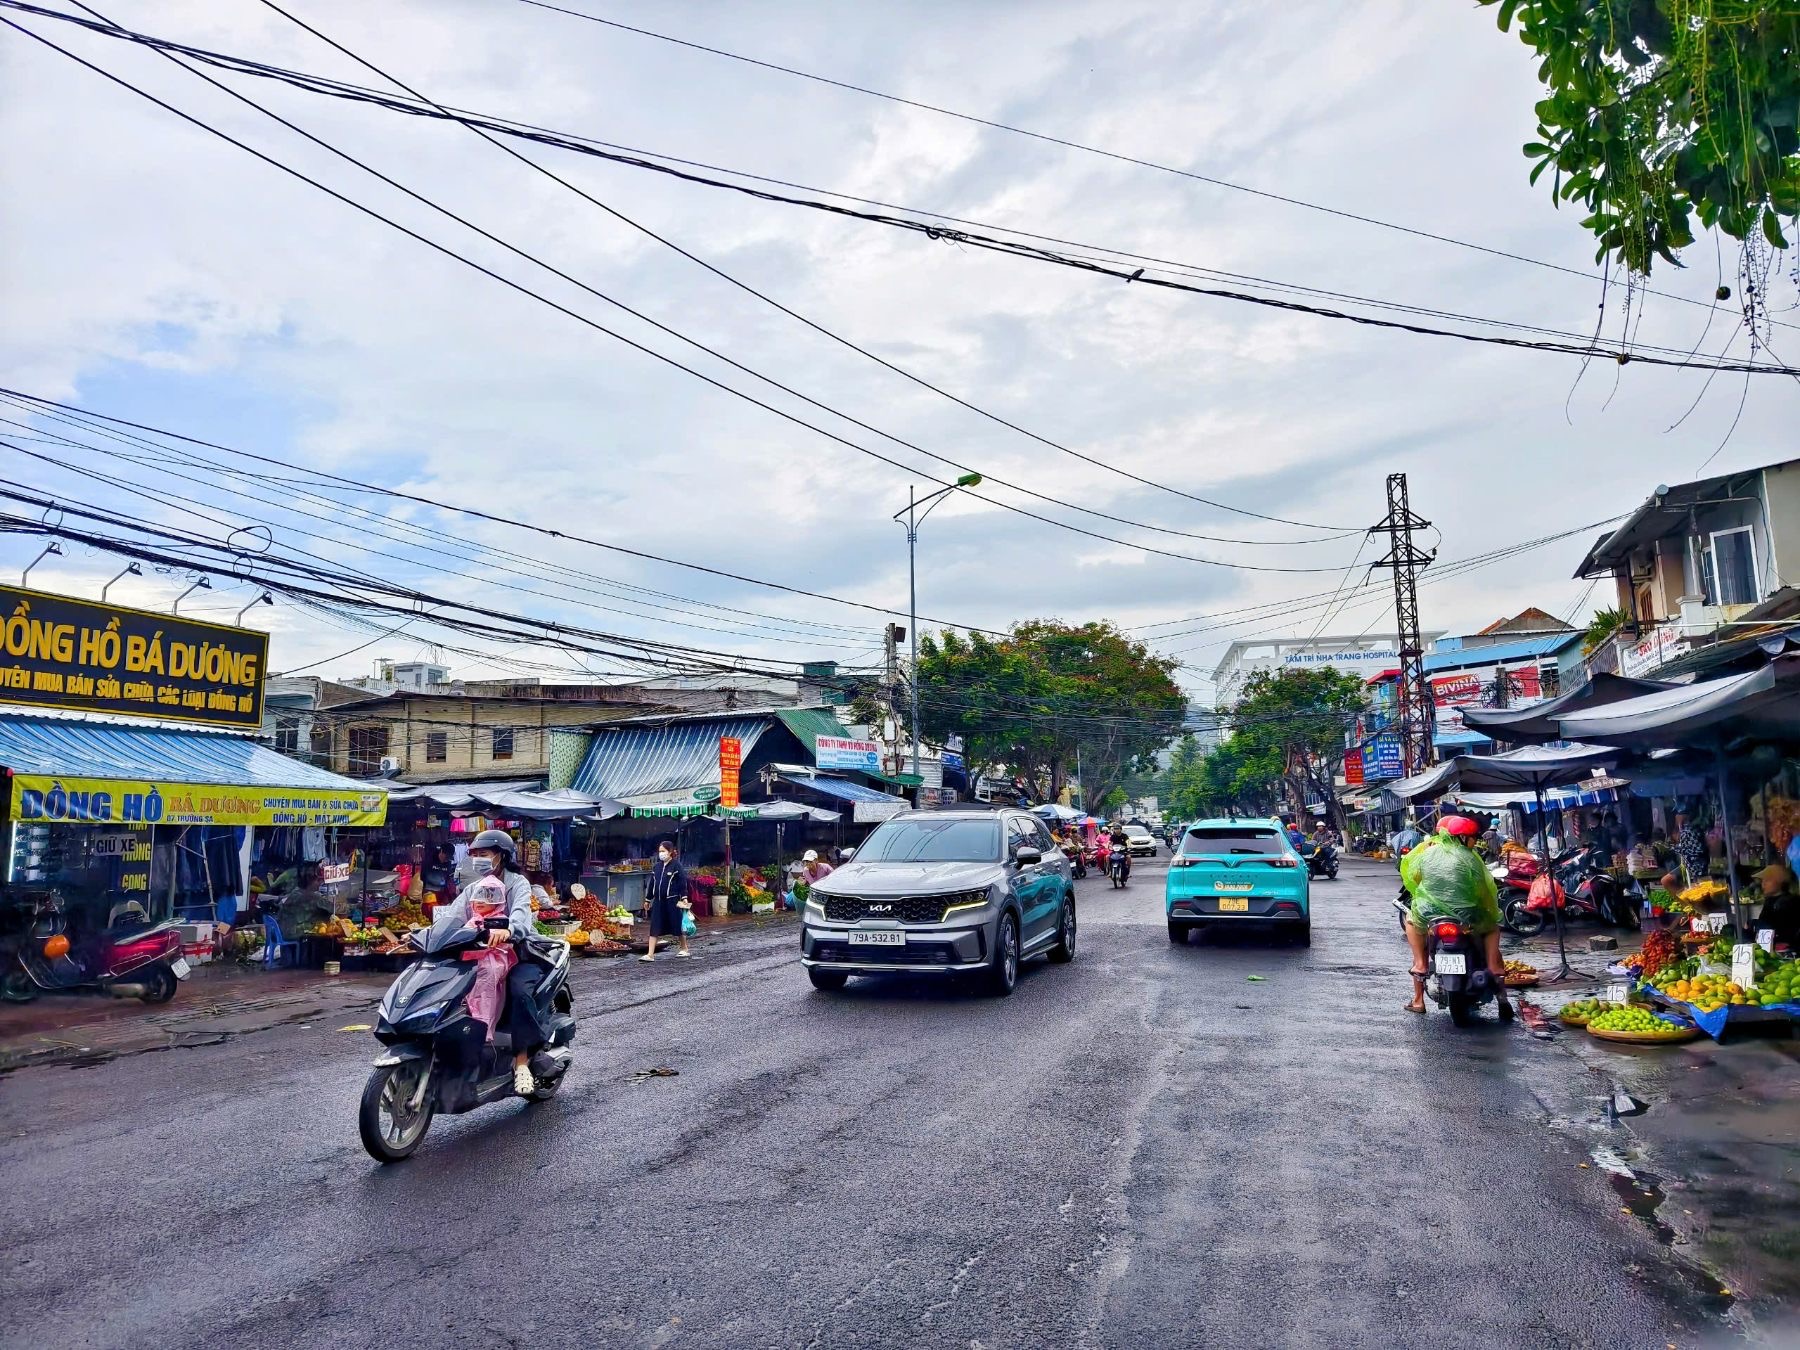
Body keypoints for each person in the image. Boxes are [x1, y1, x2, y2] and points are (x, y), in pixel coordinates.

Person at [423, 829, 550, 1096]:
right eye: (476, 855)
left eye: (484, 855)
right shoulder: (473, 888)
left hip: (520, 952)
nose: (479, 860)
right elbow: (453, 916)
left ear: (501, 857)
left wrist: (509, 930)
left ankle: (523, 1061)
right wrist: (428, 935)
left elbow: (521, 916)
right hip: (482, 952)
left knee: (519, 992)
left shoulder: (518, 884)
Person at [1399, 815, 1511, 1020]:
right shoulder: (1470, 857)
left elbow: (1412, 879)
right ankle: (1497, 977)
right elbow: (1484, 890)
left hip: (1430, 914)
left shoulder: (1427, 853)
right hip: (1467, 915)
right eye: (1472, 838)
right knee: (1493, 928)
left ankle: (1420, 974)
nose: (1474, 841)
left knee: (1411, 920)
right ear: (1462, 838)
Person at [641, 839, 692, 961]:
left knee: (677, 925)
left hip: (672, 901)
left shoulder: (676, 865)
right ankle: (650, 954)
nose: (661, 853)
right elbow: (652, 884)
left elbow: (682, 882)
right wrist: (648, 900)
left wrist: (684, 897)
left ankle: (684, 948)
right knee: (654, 926)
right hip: (658, 902)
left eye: (663, 851)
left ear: (669, 852)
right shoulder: (657, 867)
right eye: (659, 851)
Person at [1752, 863, 1800, 949]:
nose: (1763, 884)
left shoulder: (1789, 902)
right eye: (1763, 880)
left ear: (1779, 882)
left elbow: (1776, 929)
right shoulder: (1770, 900)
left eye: (1768, 880)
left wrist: (1753, 924)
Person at [1674, 809, 1709, 886]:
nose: (1676, 819)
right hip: (1693, 867)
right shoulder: (1688, 830)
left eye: (1677, 817)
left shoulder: (1689, 831)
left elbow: (1698, 850)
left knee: (1703, 887)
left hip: (1698, 866)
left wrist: (1676, 849)